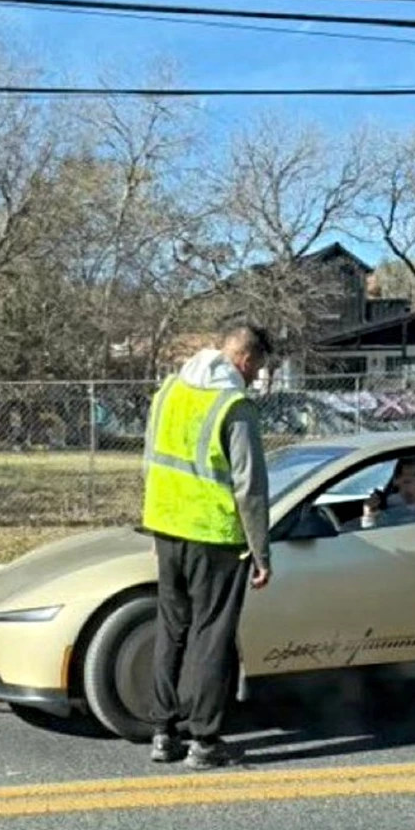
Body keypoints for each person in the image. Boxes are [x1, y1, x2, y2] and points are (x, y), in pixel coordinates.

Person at [140, 324, 274, 770]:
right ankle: (204, 740)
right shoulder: (234, 406)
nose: (255, 377)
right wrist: (261, 551)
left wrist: (158, 523)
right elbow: (250, 487)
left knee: (171, 629)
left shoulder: (169, 391)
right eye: (257, 368)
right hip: (215, 536)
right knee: (211, 636)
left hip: (167, 528)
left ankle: (162, 732)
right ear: (245, 359)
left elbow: (149, 460)